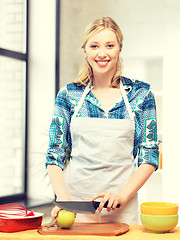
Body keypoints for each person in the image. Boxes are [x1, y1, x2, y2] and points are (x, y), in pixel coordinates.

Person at [46, 17, 159, 224]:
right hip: (76, 205)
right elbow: (55, 154)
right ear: (85, 50)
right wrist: (64, 201)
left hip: (122, 206)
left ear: (119, 49)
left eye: (109, 45)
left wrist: (122, 196)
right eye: (94, 45)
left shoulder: (141, 94)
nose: (102, 53)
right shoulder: (69, 94)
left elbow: (149, 155)